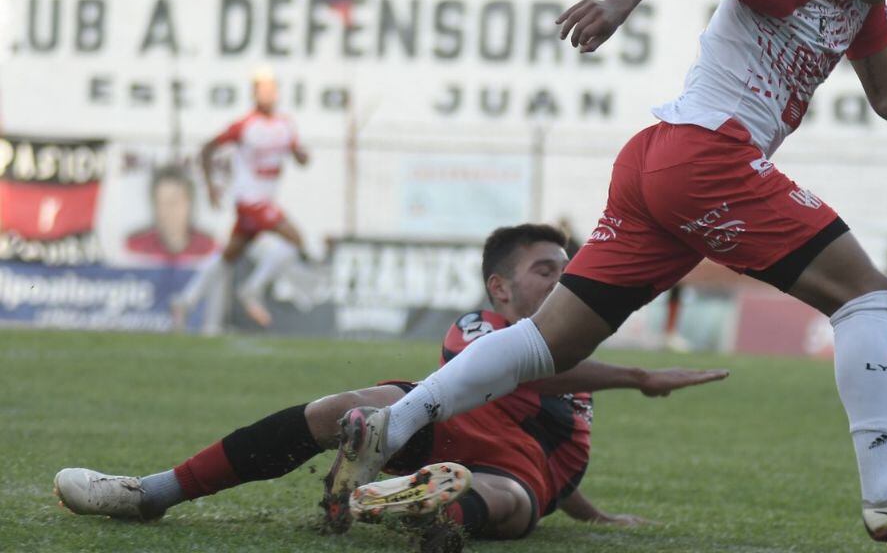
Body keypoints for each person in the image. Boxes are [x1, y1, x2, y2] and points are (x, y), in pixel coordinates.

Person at [323, 0, 887, 543]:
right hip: (709, 158)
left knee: (549, 343)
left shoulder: (860, 0)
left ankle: (394, 423)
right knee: (865, 297)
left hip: (661, 165)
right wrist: (614, 6)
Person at [54, 223, 728, 546]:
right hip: (444, 430)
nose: (565, 278)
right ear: (501, 287)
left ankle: (421, 513)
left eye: (569, 269)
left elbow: (562, 458)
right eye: (548, 269)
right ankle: (154, 493)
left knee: (501, 497)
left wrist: (592, 513)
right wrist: (638, 376)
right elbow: (523, 365)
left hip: (521, 472)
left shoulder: (578, 351)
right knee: (358, 405)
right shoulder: (483, 326)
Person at [170, 66, 309, 330]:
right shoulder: (244, 126)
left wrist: (303, 156)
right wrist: (210, 185)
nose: (268, 94)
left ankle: (185, 301)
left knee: (227, 257)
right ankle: (252, 290)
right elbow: (207, 149)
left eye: (271, 89)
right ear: (254, 94)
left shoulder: (285, 125)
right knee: (296, 240)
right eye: (263, 89)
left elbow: (298, 155)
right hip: (250, 201)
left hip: (264, 201)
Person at [124, 163, 218, 264]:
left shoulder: (209, 249)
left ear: (189, 203)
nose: (169, 210)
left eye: (175, 201)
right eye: (162, 202)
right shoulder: (135, 248)